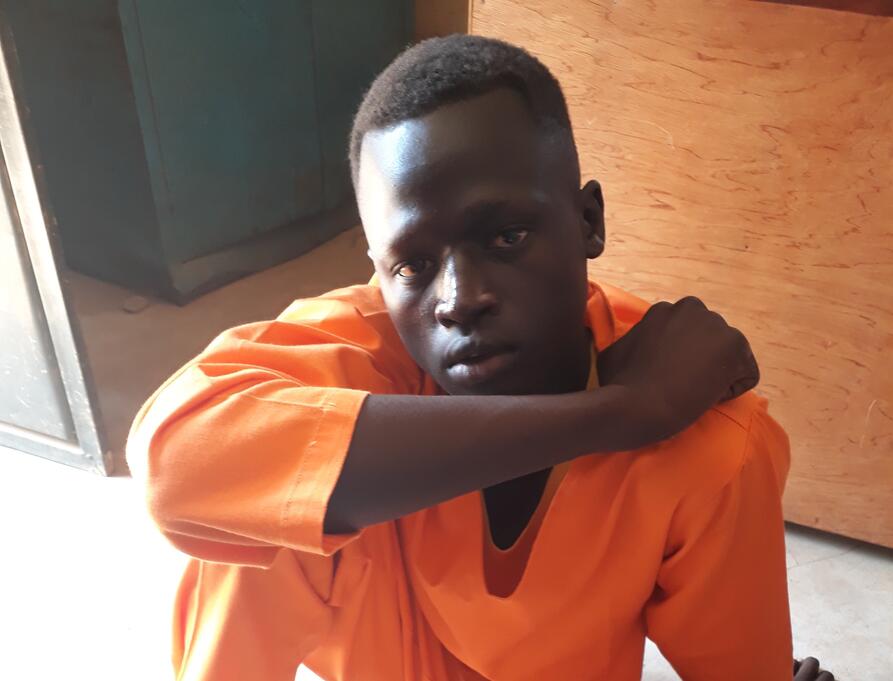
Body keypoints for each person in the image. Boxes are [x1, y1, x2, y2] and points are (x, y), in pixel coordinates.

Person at [128, 35, 833, 681]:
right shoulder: (366, 346)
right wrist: (619, 414)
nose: (459, 300)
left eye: (505, 237)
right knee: (262, 496)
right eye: (413, 265)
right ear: (377, 270)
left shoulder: (702, 439)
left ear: (588, 221)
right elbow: (176, 461)